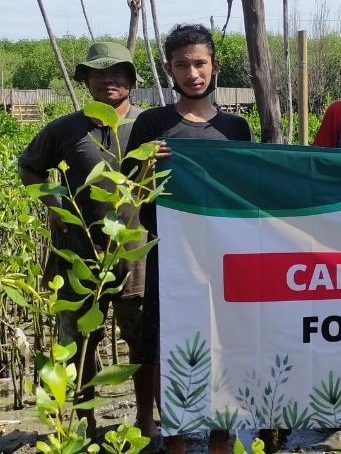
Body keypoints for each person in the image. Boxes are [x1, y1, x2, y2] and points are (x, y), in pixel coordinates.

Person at [123, 24, 253, 443]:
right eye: (182, 65)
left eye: (200, 63)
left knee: (225, 346)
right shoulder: (152, 124)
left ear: (214, 66)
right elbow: (133, 193)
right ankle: (175, 440)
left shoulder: (237, 129)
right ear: (169, 69)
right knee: (168, 346)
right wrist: (146, 165)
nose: (192, 73)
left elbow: (247, 192)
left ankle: (221, 441)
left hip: (223, 257)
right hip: (171, 257)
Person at [18, 42, 146, 438]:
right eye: (98, 73)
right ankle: (84, 425)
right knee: (78, 345)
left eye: (117, 72)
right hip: (78, 255)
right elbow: (29, 166)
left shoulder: (148, 126)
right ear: (86, 81)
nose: (108, 79)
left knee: (142, 344)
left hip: (136, 258)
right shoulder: (64, 129)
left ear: (130, 79)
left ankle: (145, 421)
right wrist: (54, 206)